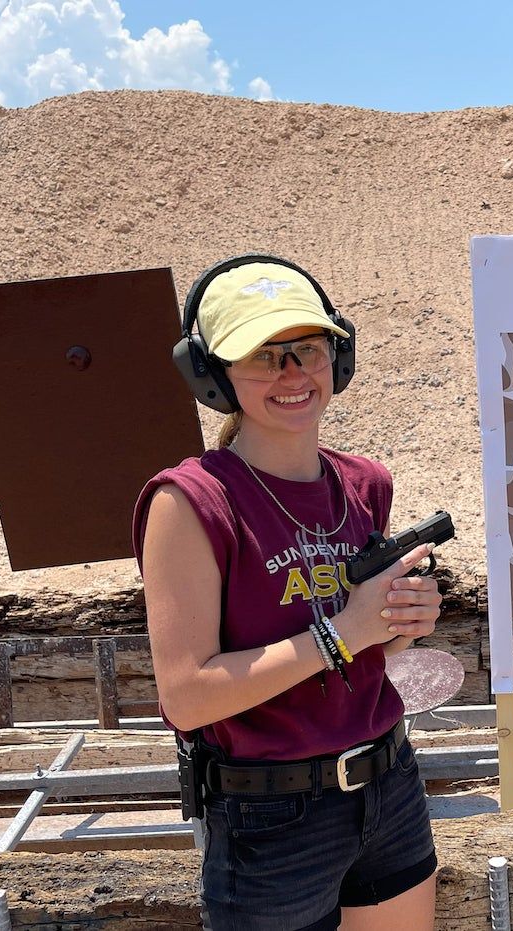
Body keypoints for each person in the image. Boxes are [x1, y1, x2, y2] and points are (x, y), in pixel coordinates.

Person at [132, 255, 442, 931]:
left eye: (307, 348)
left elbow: (368, 649)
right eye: (263, 355)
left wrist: (399, 623)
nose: (293, 372)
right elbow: (186, 695)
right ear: (213, 374)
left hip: (387, 780)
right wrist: (343, 634)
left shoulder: (366, 484)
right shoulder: (191, 501)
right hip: (270, 820)